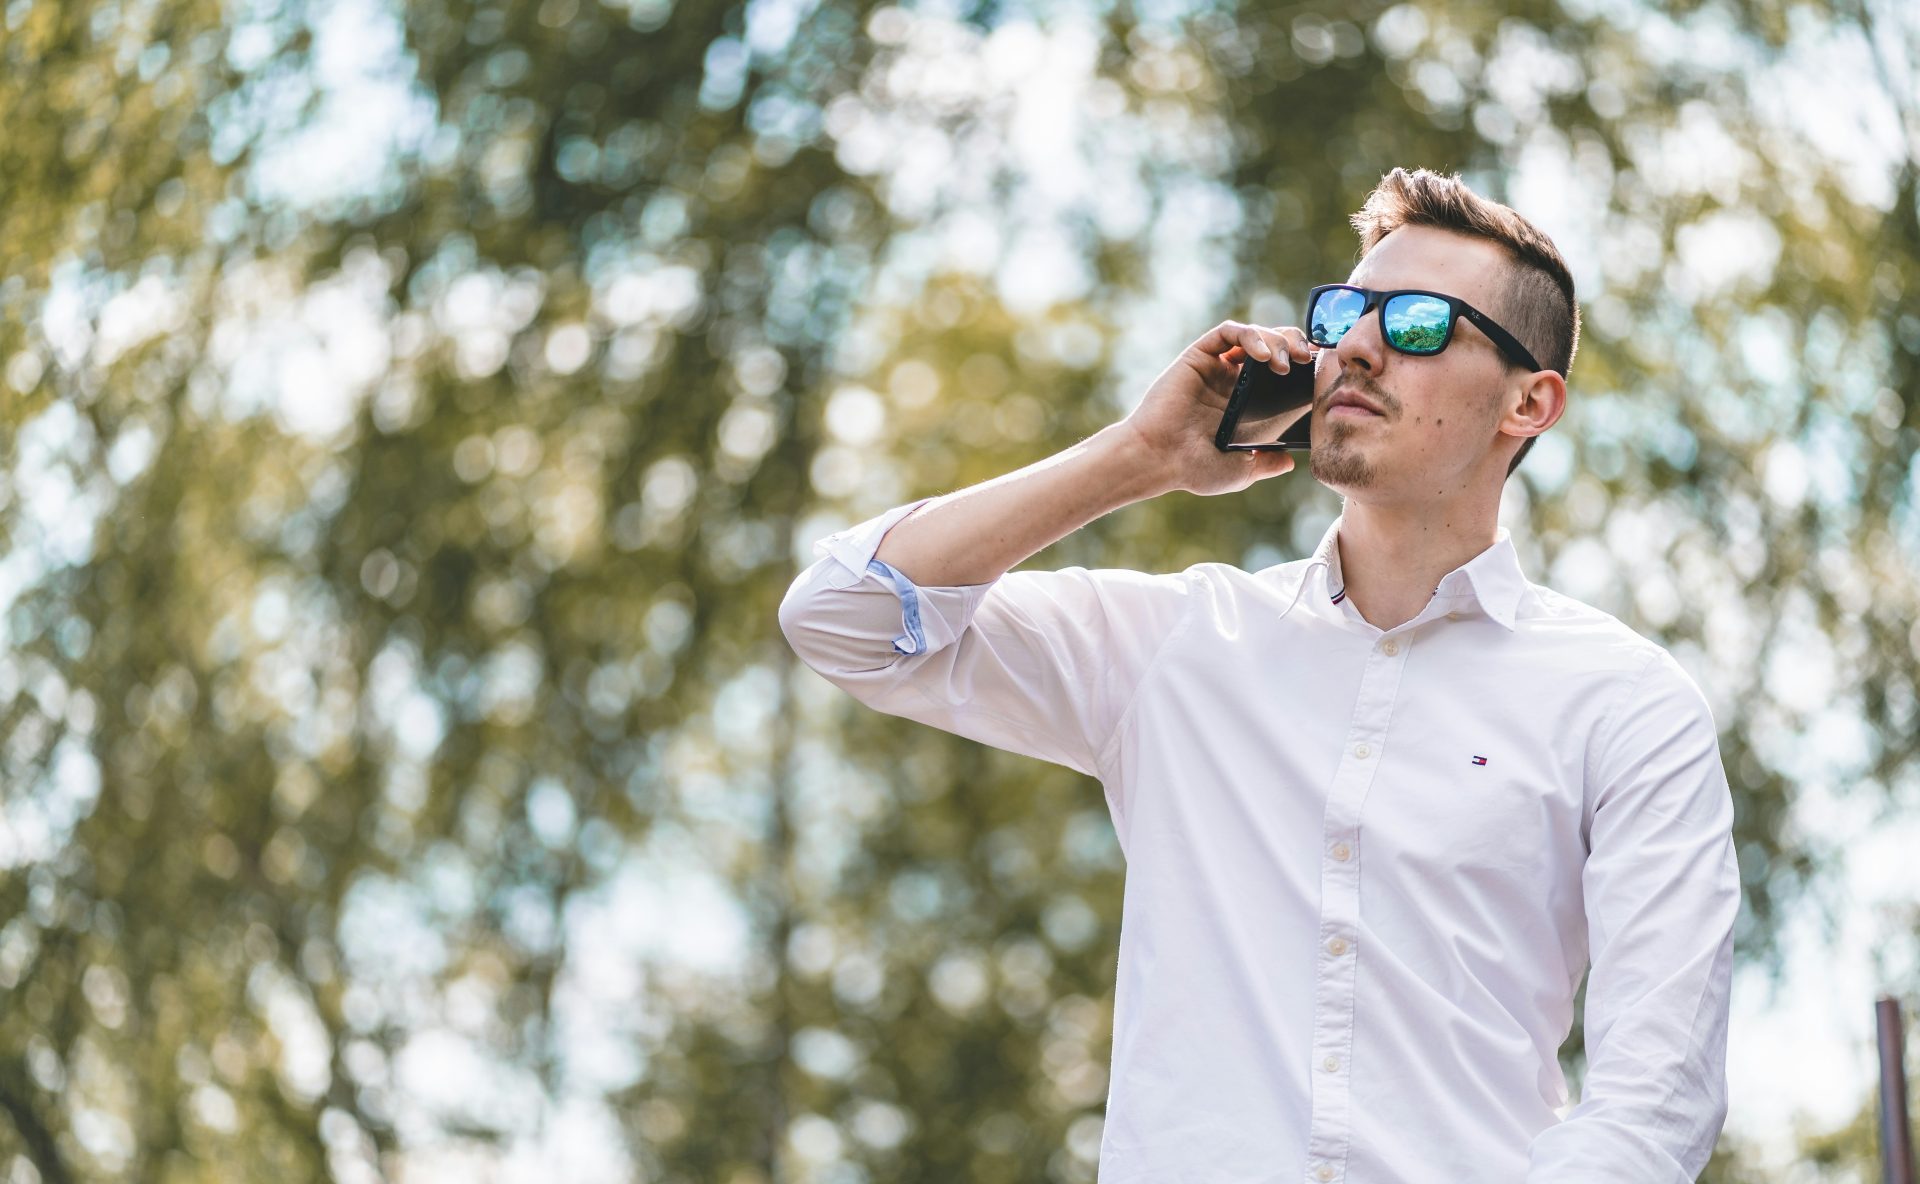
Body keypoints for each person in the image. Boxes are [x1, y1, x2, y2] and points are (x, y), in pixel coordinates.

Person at [778, 166, 1740, 1183]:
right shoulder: (1179, 643)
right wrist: (1141, 454)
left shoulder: (1625, 703)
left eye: (1418, 323)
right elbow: (845, 617)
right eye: (1341, 313)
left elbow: (1655, 1097)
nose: (1358, 346)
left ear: (1530, 400)